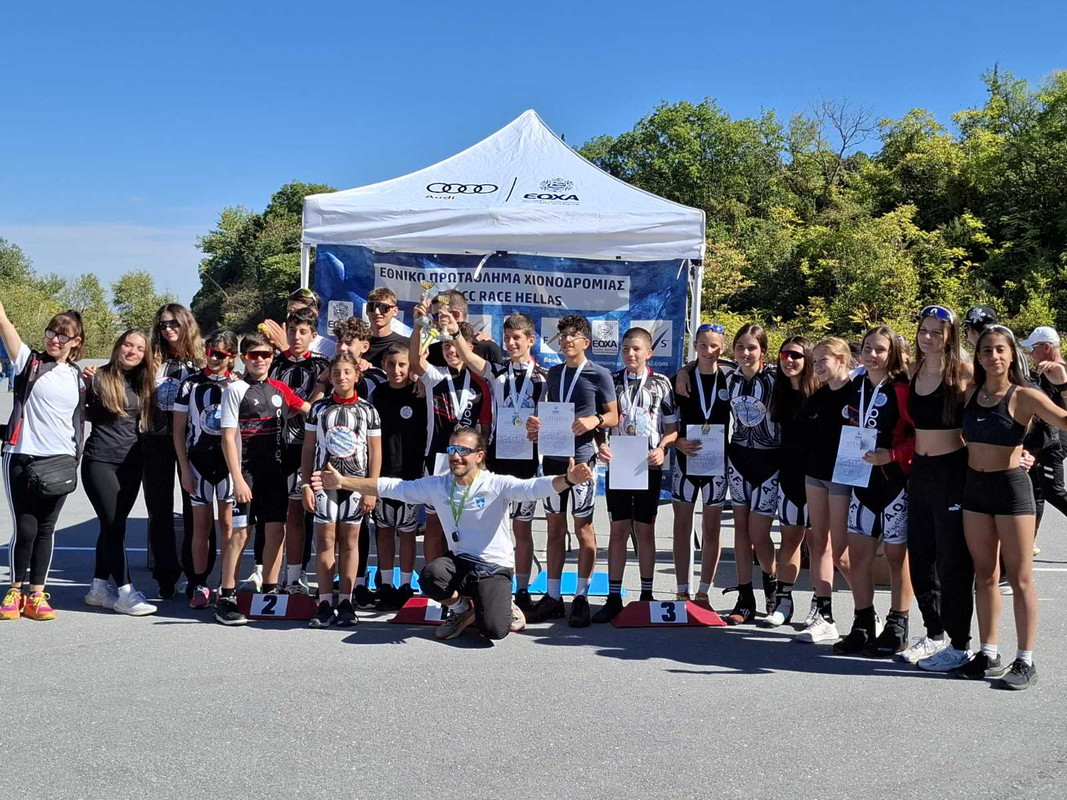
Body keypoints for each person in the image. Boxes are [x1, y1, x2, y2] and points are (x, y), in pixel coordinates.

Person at [311, 427, 595, 641]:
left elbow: (533, 488)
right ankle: (461, 609)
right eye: (452, 450)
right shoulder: (438, 485)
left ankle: (503, 603)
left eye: (463, 451)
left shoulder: (496, 484)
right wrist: (343, 482)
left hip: (494, 567)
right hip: (460, 562)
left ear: (479, 456)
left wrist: (568, 479)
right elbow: (393, 487)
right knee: (430, 575)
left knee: (493, 631)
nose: (456, 456)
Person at [957, 325, 1067, 689]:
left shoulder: (1024, 396)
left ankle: (1025, 660)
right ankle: (988, 653)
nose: (994, 356)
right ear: (978, 356)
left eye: (1000, 350)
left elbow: (1064, 422)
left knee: (1020, 579)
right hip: (975, 491)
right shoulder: (970, 392)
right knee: (984, 574)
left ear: (1011, 355)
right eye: (987, 350)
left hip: (1011, 491)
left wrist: (1064, 385)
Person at [443, 310, 547, 618]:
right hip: (498, 459)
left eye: (517, 338)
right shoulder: (497, 372)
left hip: (527, 460)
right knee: (491, 527)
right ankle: (494, 587)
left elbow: (554, 417)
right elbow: (469, 358)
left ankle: (522, 590)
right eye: (507, 338)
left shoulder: (545, 378)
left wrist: (542, 428)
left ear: (531, 340)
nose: (511, 343)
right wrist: (454, 332)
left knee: (522, 529)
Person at [525, 315, 619, 627]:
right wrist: (538, 428)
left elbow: (614, 416)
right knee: (554, 530)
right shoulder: (553, 373)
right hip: (553, 460)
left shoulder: (599, 374)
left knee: (583, 529)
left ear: (585, 342)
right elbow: (552, 413)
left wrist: (596, 420)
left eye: (573, 336)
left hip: (582, 461)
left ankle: (581, 597)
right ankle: (553, 596)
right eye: (563, 335)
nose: (566, 340)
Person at [214, 333, 310, 626]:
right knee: (240, 534)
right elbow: (227, 438)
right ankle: (226, 596)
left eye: (266, 355)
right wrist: (237, 479)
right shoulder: (235, 389)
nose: (260, 360)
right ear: (244, 358)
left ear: (272, 358)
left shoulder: (279, 388)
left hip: (275, 473)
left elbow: (311, 410)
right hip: (246, 473)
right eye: (253, 354)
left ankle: (270, 590)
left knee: (276, 531)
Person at [1, 303, 86, 621]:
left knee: (46, 529)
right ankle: (14, 591)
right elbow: (4, 323)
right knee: (25, 528)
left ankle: (37, 595)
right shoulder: (29, 362)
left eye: (64, 335)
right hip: (22, 456)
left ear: (76, 342)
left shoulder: (78, 377)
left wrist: (75, 455)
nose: (55, 339)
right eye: (52, 332)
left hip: (60, 460)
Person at [834, 326, 915, 656]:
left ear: (892, 353)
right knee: (858, 558)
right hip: (860, 481)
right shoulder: (855, 384)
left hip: (894, 483)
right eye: (867, 348)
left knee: (896, 557)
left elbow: (920, 436)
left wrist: (892, 455)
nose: (872, 355)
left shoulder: (903, 388)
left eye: (880, 349)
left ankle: (898, 624)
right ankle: (863, 623)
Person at [903, 305, 976, 669]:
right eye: (923, 331)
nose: (928, 337)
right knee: (920, 556)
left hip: (952, 471)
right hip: (920, 471)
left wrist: (1023, 451)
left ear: (950, 336)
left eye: (936, 332)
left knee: (952, 561)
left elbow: (998, 404)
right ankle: (934, 633)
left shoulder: (963, 371)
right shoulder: (913, 370)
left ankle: (960, 643)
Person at [592, 328, 678, 623]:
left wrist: (663, 448)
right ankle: (614, 597)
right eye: (626, 348)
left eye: (637, 349)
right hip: (619, 463)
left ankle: (646, 595)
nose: (630, 353)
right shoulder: (611, 382)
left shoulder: (662, 383)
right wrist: (601, 445)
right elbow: (600, 423)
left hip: (647, 464)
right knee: (617, 530)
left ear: (649, 353)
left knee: (644, 530)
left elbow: (672, 428)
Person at [409, 304, 493, 572]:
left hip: (468, 461)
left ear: (469, 348)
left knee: (464, 522)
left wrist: (482, 461)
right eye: (446, 346)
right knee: (434, 523)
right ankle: (433, 581)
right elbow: (415, 362)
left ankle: (461, 577)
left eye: (456, 346)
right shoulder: (436, 376)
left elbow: (485, 428)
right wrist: (418, 327)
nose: (451, 351)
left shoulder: (481, 382)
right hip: (438, 457)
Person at [301, 353, 381, 627]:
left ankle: (346, 601)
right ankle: (325, 602)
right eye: (336, 373)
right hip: (323, 483)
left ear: (357, 375)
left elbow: (375, 452)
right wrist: (305, 484)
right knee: (325, 541)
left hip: (355, 483)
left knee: (350, 542)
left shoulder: (368, 411)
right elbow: (308, 448)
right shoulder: (319, 408)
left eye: (347, 372)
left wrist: (371, 489)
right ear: (330, 377)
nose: (342, 377)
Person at [82, 329, 157, 616]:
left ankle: (98, 589)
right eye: (128, 344)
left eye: (139, 348)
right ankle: (126, 592)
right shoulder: (96, 377)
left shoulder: (143, 381)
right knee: (113, 525)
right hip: (100, 461)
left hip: (132, 463)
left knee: (113, 525)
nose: (132, 351)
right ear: (118, 346)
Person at [719, 323, 781, 625]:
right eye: (740, 347)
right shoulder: (728, 377)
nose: (745, 352)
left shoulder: (776, 378)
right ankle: (745, 596)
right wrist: (685, 370)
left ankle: (772, 583)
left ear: (763, 351)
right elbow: (701, 364)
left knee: (759, 533)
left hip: (769, 461)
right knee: (740, 531)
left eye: (752, 347)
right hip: (739, 458)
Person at [172, 331, 239, 608]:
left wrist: (239, 473)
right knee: (200, 526)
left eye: (220, 354)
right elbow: (178, 430)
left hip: (227, 465)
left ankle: (227, 584)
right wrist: (184, 468)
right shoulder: (190, 384)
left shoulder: (238, 384)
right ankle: (199, 583)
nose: (213, 358)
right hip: (198, 463)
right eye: (210, 352)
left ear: (232, 357)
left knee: (228, 525)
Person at [143, 303, 204, 599]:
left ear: (186, 324)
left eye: (173, 324)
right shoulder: (151, 359)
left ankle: (196, 575)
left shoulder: (202, 360)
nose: (168, 329)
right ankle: (166, 575)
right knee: (159, 509)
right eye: (163, 325)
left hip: (193, 440)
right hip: (155, 438)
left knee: (195, 508)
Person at [268, 306, 329, 594]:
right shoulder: (273, 363)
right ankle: (267, 574)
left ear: (313, 335)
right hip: (272, 445)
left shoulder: (321, 366)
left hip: (304, 447)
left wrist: (301, 404)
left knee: (296, 514)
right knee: (271, 516)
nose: (296, 336)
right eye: (292, 331)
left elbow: (317, 409)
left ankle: (294, 576)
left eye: (303, 332)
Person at [670, 323, 733, 605]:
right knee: (681, 527)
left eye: (714, 346)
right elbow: (664, 421)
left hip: (716, 463)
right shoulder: (679, 379)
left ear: (723, 348)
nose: (709, 351)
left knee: (711, 529)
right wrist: (675, 442)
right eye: (703, 345)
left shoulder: (731, 377)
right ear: (695, 346)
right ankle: (681, 589)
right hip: (687, 460)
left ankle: (704, 592)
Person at [796, 337, 854, 643]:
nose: (817, 366)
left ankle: (867, 612)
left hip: (843, 476)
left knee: (842, 552)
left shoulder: (858, 393)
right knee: (819, 542)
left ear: (842, 360)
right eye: (814, 361)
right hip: (815, 474)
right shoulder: (817, 397)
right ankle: (825, 615)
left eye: (823, 360)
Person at [765, 336, 818, 627]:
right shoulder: (779, 390)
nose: (789, 360)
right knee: (789, 538)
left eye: (796, 355)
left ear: (808, 358)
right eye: (784, 355)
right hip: (789, 476)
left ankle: (821, 603)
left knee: (819, 544)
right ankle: (783, 601)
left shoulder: (821, 392)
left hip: (818, 479)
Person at [370, 343, 428, 610]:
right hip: (383, 472)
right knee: (384, 531)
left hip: (410, 473)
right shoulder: (378, 394)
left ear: (410, 366)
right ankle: (385, 584)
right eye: (391, 364)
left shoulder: (419, 392)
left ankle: (405, 585)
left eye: (402, 364)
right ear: (383, 365)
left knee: (407, 532)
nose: (396, 370)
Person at [1019, 326, 1067, 540]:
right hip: (1041, 442)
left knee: (1053, 491)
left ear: (1047, 347)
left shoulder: (1057, 372)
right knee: (1036, 491)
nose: (1031, 354)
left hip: (1055, 442)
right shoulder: (1046, 373)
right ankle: (1029, 540)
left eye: (1033, 348)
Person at [425, 290, 505, 367]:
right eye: (433, 316)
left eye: (437, 316)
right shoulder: (432, 351)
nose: (434, 321)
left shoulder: (488, 349)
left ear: (456, 315)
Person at [261, 288, 337, 359]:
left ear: (314, 314)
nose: (289, 316)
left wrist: (284, 348)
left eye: (296, 311)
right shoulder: (280, 340)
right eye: (288, 311)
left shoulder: (328, 348)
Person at [363, 287, 410, 368]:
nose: (377, 312)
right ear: (367, 310)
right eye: (371, 307)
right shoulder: (356, 342)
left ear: (395, 311)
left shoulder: (406, 344)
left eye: (383, 308)